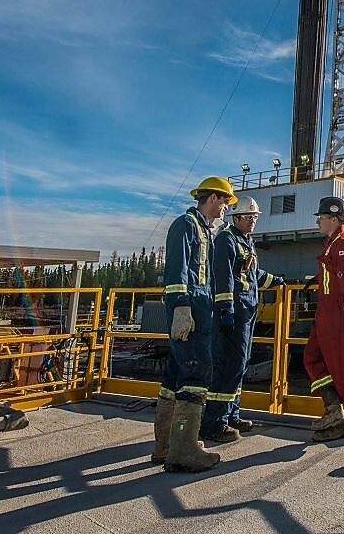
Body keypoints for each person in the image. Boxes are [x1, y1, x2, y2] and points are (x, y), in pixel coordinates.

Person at [153, 175, 235, 472]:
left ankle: (165, 446)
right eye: (226, 201)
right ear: (213, 198)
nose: (226, 207)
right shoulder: (185, 226)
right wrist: (181, 307)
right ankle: (183, 450)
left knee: (175, 376)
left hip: (201, 309)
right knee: (196, 374)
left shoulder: (204, 230)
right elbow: (177, 269)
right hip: (191, 311)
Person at [202, 196, 284, 442]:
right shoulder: (227, 240)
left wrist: (275, 280)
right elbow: (224, 277)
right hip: (233, 315)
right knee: (228, 366)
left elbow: (251, 273)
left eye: (255, 217)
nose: (252, 222)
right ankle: (214, 423)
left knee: (240, 365)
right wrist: (225, 310)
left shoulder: (246, 242)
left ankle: (231, 415)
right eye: (247, 217)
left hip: (247, 314)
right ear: (235, 218)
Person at [304, 196, 344, 442]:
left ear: (334, 219)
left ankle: (341, 420)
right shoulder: (331, 243)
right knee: (312, 357)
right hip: (325, 315)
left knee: (340, 367)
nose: (318, 221)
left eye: (321, 217)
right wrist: (316, 280)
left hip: (338, 317)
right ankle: (333, 410)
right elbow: (333, 276)